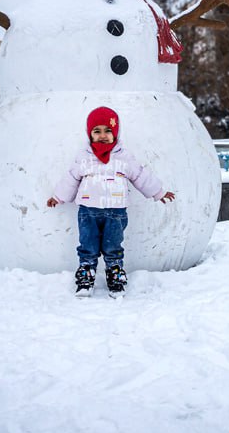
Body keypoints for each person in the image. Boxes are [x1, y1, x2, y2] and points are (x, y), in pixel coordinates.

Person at [47, 106, 175, 296]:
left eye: (108, 131)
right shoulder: (84, 157)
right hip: (88, 211)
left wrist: (158, 192)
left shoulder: (124, 157)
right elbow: (72, 178)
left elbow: (140, 175)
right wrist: (58, 196)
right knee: (87, 245)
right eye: (97, 131)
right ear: (89, 134)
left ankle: (115, 275)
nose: (103, 135)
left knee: (113, 246)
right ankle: (86, 275)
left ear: (115, 133)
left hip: (116, 212)